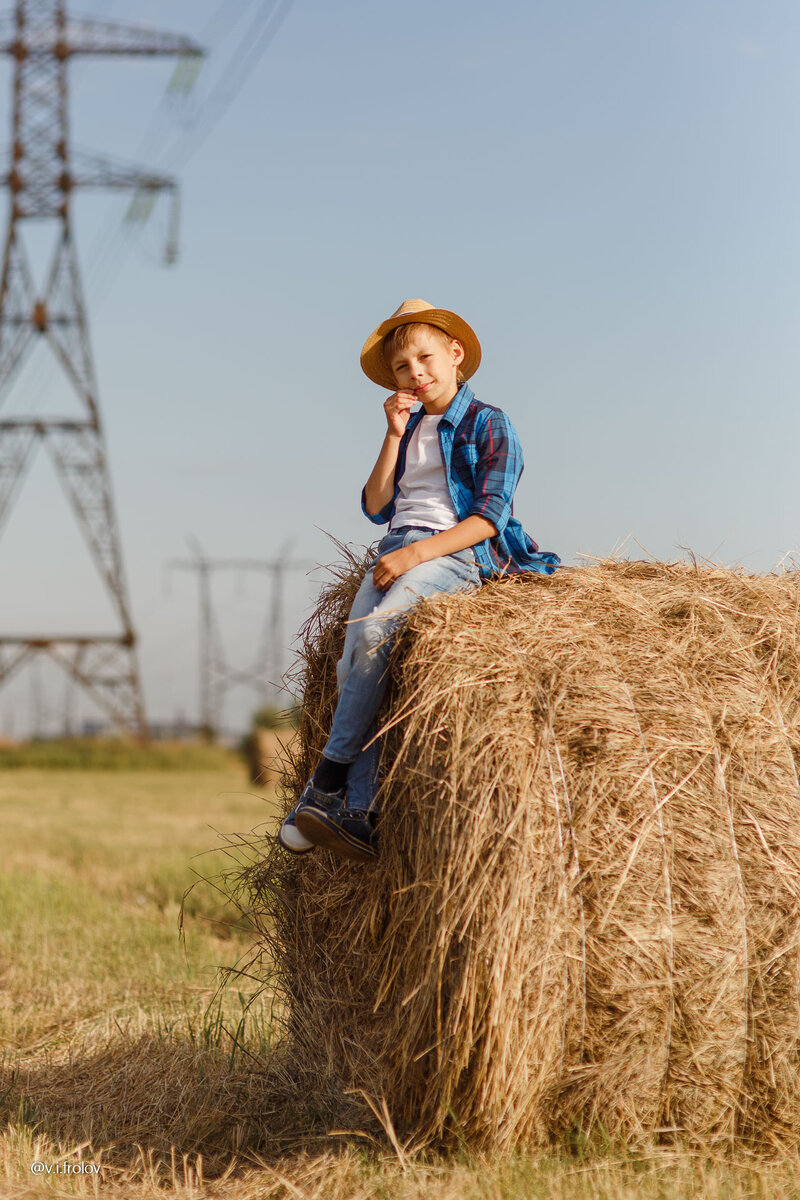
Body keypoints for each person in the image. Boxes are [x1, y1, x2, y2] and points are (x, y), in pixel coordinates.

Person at [278, 298, 559, 863]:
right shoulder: (407, 430)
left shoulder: (488, 422)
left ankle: (326, 784)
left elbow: (489, 518)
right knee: (351, 659)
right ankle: (359, 815)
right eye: (404, 368)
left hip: (455, 554)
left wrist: (415, 559)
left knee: (379, 630)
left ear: (456, 354)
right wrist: (392, 433)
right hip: (396, 545)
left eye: (426, 358)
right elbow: (377, 505)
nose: (417, 374)